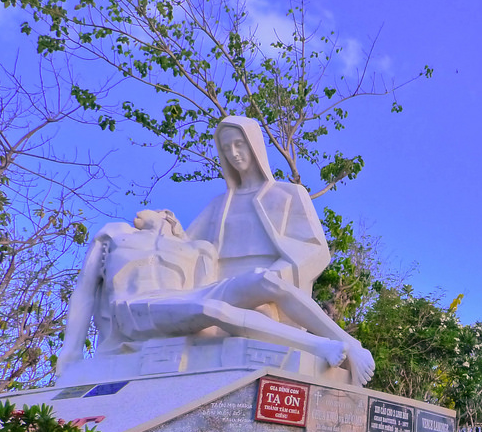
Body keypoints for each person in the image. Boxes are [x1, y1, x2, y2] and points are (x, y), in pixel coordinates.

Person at [185, 116, 374, 384]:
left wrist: (276, 275)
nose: (234, 154)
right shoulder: (219, 204)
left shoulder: (289, 194)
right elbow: (186, 245)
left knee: (256, 320)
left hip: (268, 289)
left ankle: (343, 344)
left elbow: (316, 250)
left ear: (254, 146)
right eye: (227, 148)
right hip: (220, 290)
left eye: (240, 144)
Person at [58, 210, 349, 372]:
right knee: (211, 309)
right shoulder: (115, 233)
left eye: (160, 210)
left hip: (179, 302)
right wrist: (70, 353)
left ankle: (347, 344)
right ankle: (318, 347)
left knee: (265, 280)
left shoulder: (194, 249)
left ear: (170, 216)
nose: (145, 212)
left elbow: (205, 288)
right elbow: (85, 291)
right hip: (135, 309)